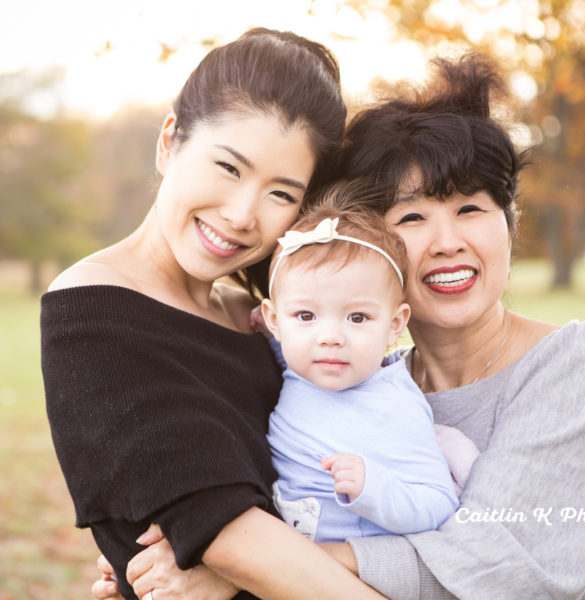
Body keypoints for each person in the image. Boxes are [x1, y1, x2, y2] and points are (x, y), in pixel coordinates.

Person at [97, 51, 585, 600]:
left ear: (510, 221)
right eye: (412, 217)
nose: (448, 242)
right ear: (366, 248)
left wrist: (249, 568)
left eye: (471, 209)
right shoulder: (345, 375)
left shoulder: (576, 365)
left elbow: (500, 569)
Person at [41, 27, 391, 600]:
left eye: (281, 194)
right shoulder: (92, 313)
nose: (241, 214)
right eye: (228, 167)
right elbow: (226, 530)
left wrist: (230, 569)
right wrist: (232, 558)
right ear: (169, 141)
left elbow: (300, 499)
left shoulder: (259, 317)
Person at [258, 191, 465, 543]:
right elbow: (288, 349)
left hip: (352, 574)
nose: (330, 337)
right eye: (305, 315)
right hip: (282, 555)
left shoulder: (395, 407)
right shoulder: (302, 363)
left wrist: (374, 487)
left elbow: (440, 501)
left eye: (357, 317)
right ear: (275, 320)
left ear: (395, 325)